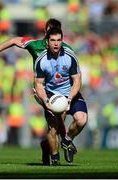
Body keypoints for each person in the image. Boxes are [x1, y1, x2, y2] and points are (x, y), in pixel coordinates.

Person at [0, 18, 73, 165]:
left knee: (56, 124)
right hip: (42, 90)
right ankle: (57, 156)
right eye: (50, 30)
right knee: (54, 119)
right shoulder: (35, 45)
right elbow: (15, 40)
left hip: (60, 90)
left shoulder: (65, 49)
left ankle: (47, 146)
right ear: (45, 32)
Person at [34, 27, 88, 165]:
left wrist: (69, 99)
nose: (56, 43)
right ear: (47, 42)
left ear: (62, 41)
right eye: (53, 40)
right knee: (53, 128)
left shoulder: (70, 57)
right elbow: (39, 84)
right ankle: (55, 158)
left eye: (59, 40)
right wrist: (46, 101)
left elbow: (77, 80)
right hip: (52, 96)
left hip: (70, 93)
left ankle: (67, 140)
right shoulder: (41, 60)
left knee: (81, 120)